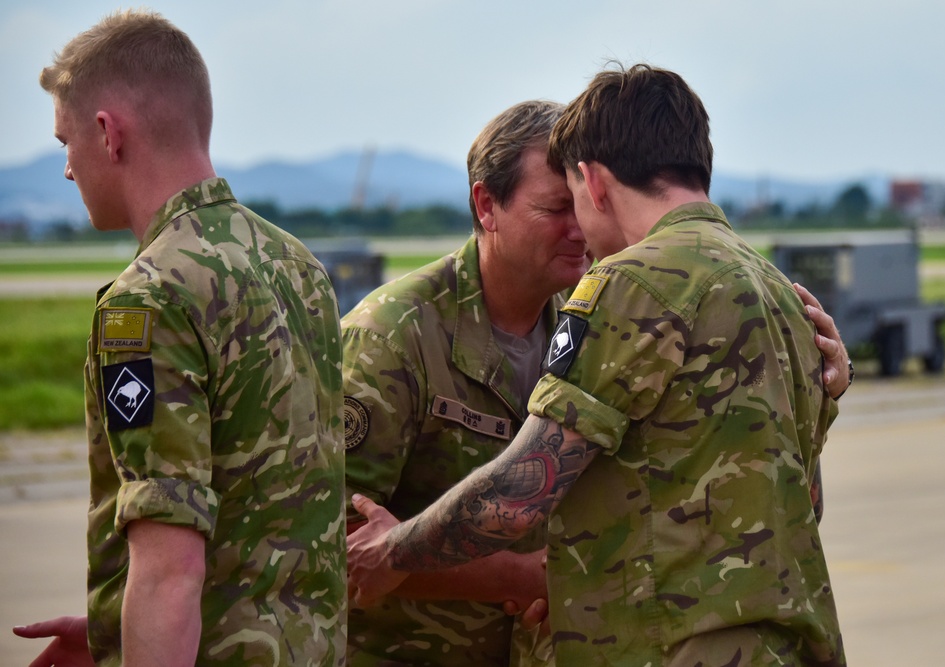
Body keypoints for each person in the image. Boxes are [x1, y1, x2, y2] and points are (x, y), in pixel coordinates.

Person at [347, 64, 846, 666]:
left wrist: (394, 552)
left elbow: (523, 487)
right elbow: (800, 501)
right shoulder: (776, 290)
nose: (578, 230)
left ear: (595, 181)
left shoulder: (629, 284)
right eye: (549, 209)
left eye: (573, 202)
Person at [13, 9, 346, 666]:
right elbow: (268, 509)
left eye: (65, 143)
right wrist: (117, 623)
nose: (68, 170)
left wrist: (149, 627)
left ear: (108, 133)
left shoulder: (149, 296)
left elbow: (171, 569)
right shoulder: (296, 263)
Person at [341, 100, 588, 666]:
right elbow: (338, 544)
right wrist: (519, 577)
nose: (578, 230)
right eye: (555, 208)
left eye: (584, 205)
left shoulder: (587, 322)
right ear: (487, 205)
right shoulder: (391, 336)